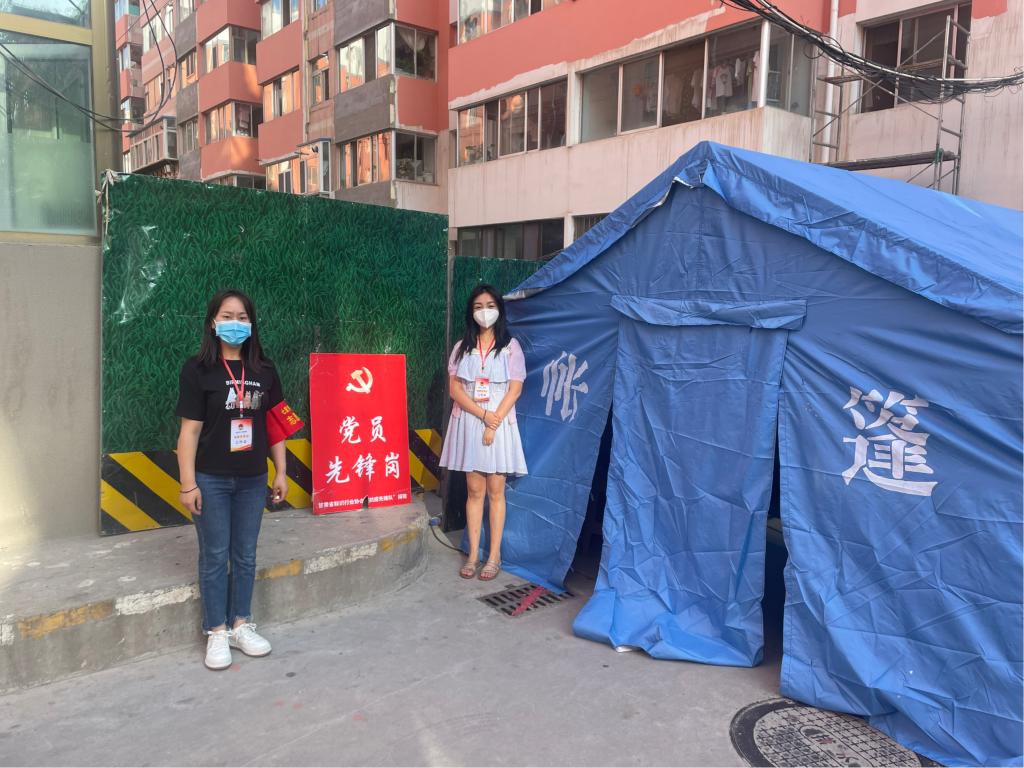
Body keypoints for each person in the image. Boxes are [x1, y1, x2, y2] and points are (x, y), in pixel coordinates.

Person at [176, 289, 289, 670]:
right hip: (210, 480)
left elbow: (275, 426)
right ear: (213, 322)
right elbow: (189, 431)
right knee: (214, 555)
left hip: (253, 479)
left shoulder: (265, 370)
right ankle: (217, 630)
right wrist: (188, 483)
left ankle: (241, 623)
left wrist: (281, 471)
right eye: (227, 316)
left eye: (242, 317)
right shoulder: (197, 370)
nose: (235, 324)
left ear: (252, 324)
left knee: (245, 554)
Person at [439, 285, 528, 581]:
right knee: (474, 490)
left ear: (499, 309)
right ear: (471, 312)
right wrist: (483, 416)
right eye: (478, 307)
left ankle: (494, 556)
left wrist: (494, 420)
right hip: (470, 420)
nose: (484, 312)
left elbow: (515, 388)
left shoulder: (511, 347)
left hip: (500, 423)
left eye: (490, 305)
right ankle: (473, 554)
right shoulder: (462, 347)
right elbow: (455, 389)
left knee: (495, 491)